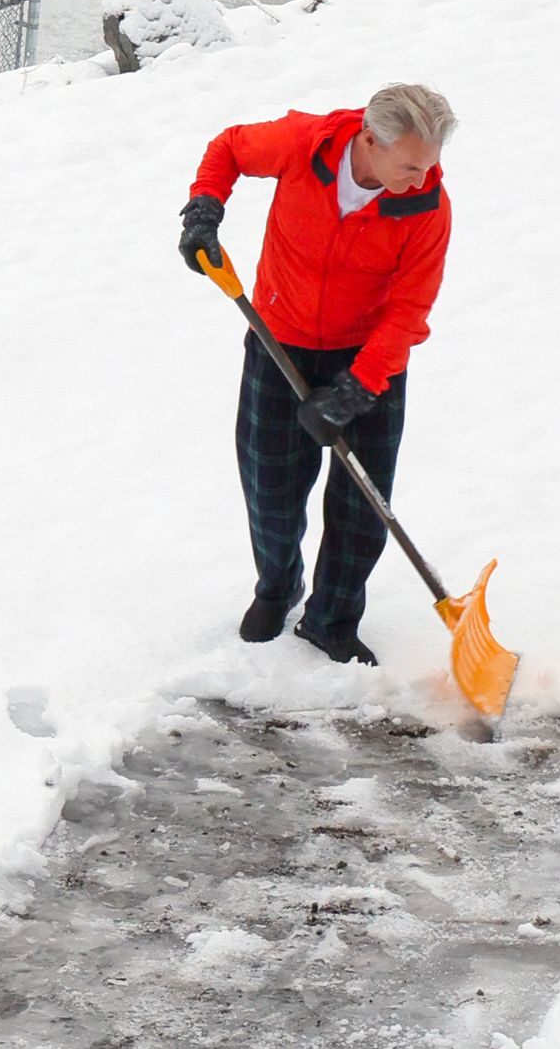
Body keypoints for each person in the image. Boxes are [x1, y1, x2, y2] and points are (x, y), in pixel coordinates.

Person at [178, 83, 456, 664]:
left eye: (430, 164)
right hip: (280, 340)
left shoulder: (426, 206)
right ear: (370, 140)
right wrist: (205, 207)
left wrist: (358, 387)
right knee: (271, 490)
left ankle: (332, 620)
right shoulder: (304, 145)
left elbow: (410, 309)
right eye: (410, 165)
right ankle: (276, 588)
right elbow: (229, 148)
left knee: (362, 505)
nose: (422, 177)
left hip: (370, 358)